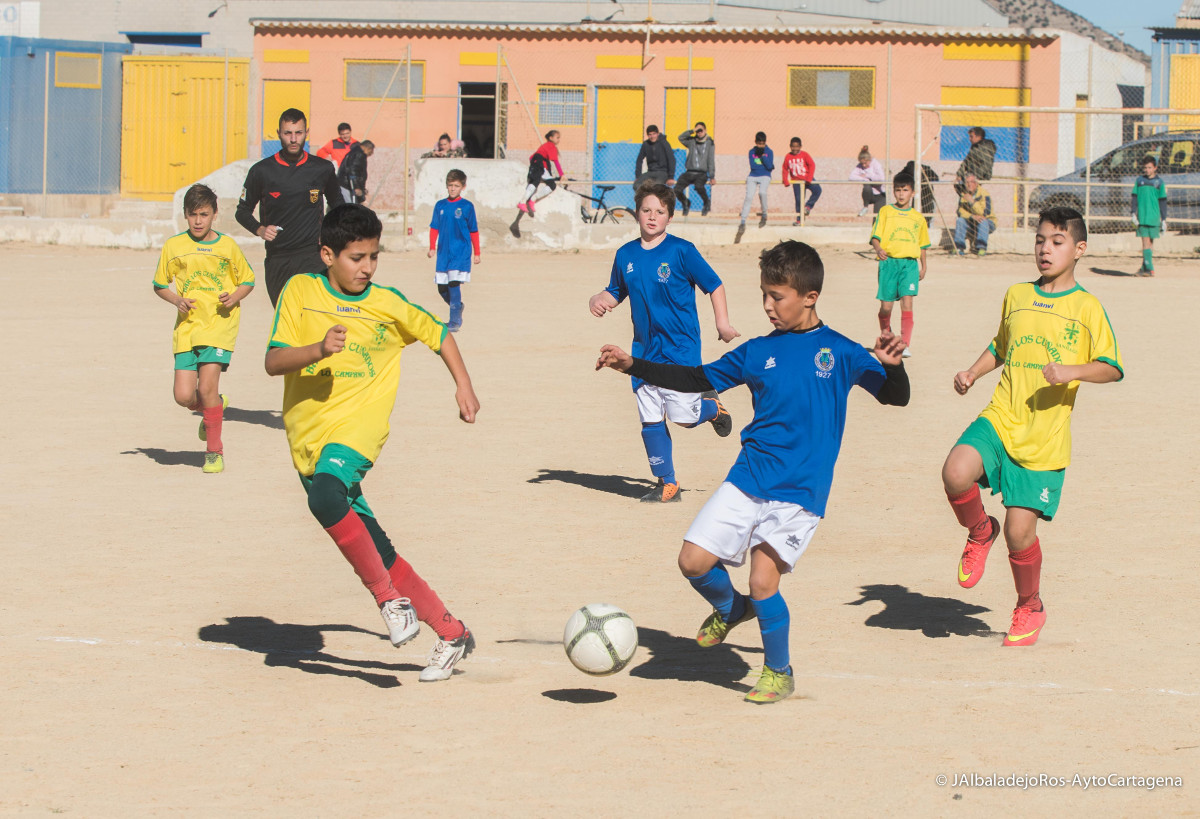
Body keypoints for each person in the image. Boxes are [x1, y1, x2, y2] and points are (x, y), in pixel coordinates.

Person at [595, 240, 910, 703]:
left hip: (800, 491)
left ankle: (778, 672)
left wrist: (894, 368)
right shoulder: (757, 351)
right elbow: (696, 379)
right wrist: (632, 365)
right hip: (749, 477)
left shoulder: (841, 351)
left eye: (776, 296)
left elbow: (895, 397)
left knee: (764, 580)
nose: (767, 306)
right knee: (692, 561)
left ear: (810, 297)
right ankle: (731, 608)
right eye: (764, 294)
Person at [265, 203, 481, 682]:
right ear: (327, 254)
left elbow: (439, 333)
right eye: (356, 257)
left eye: (373, 257)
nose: (367, 268)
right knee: (380, 551)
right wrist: (318, 349)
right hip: (308, 439)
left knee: (325, 495)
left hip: (358, 431)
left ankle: (388, 602)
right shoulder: (299, 292)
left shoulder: (387, 303)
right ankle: (452, 632)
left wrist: (462, 385)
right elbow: (273, 362)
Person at [943, 206, 1123, 648]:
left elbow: (1111, 367)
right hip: (1001, 417)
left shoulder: (1087, 308)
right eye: (1040, 240)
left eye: (1057, 242)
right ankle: (980, 530)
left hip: (1044, 440)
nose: (1045, 249)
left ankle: (1030, 604)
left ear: (1079, 249)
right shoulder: (1017, 294)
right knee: (955, 472)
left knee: (1021, 533)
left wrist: (1072, 371)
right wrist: (972, 371)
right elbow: (1001, 346)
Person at [588, 183, 739, 503]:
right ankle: (667, 483)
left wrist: (722, 323)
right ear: (637, 213)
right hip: (644, 351)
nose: (652, 216)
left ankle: (712, 408)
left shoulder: (682, 251)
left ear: (670, 217)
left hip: (681, 348)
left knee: (683, 416)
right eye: (646, 210)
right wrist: (599, 298)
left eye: (659, 211)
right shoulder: (625, 254)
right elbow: (616, 291)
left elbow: (714, 285)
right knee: (650, 417)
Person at [153, 183, 255, 475]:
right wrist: (176, 299)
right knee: (184, 396)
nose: (198, 221)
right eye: (192, 214)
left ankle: (213, 452)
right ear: (185, 215)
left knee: (208, 387)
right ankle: (214, 408)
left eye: (204, 214)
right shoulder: (174, 246)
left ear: (215, 215)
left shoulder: (227, 247)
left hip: (219, 326)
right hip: (187, 329)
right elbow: (160, 284)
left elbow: (247, 280)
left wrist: (234, 297)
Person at [236, 108, 344, 307]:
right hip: (279, 258)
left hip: (313, 256)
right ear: (279, 133)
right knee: (287, 323)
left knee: (315, 318)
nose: (293, 139)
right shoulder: (261, 171)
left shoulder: (322, 169)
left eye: (298, 133)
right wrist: (260, 229)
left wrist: (329, 232)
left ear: (306, 133)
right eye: (288, 133)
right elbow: (241, 211)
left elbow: (339, 206)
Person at [870, 172, 929, 359]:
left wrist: (924, 266)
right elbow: (875, 237)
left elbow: (922, 245)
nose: (901, 194)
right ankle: (887, 335)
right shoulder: (886, 212)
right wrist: (878, 249)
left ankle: (904, 344)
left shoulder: (918, 218)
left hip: (909, 265)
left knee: (907, 302)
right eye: (898, 190)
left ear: (912, 192)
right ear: (893, 192)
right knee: (886, 307)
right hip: (889, 264)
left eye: (905, 190)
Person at [428, 168, 480, 332]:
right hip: (444, 253)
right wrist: (431, 247)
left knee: (453, 284)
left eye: (456, 186)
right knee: (441, 287)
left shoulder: (467, 206)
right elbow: (434, 228)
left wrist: (477, 253)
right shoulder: (440, 205)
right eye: (450, 185)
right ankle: (457, 306)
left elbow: (473, 230)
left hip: (460, 252)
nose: (452, 189)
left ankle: (454, 321)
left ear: (463, 187)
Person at [1132, 155, 1167, 276]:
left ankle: (1147, 268)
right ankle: (1147, 268)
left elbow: (1162, 201)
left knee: (1149, 243)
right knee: (1145, 242)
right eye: (1145, 168)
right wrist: (1133, 213)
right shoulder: (1139, 181)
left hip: (1154, 217)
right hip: (1142, 216)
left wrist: (1164, 219)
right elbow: (1134, 198)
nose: (1147, 170)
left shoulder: (1159, 183)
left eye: (1150, 167)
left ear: (1155, 168)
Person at [737, 131, 774, 240]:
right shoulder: (751, 152)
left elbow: (769, 167)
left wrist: (763, 157)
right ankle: (743, 221)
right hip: (753, 175)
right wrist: (760, 158)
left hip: (765, 175)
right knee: (749, 197)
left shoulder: (769, 152)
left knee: (762, 193)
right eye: (759, 143)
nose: (760, 146)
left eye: (762, 143)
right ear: (755, 142)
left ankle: (764, 214)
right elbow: (753, 166)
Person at [517, 130, 563, 217]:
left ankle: (532, 200)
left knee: (550, 184)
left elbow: (532, 157)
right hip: (538, 164)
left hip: (539, 164)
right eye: (557, 137)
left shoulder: (545, 146)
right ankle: (523, 202)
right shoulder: (551, 146)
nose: (559, 140)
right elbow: (556, 162)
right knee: (537, 181)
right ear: (551, 138)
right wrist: (562, 174)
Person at [676, 123, 715, 217]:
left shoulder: (710, 143)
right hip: (690, 171)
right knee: (676, 189)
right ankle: (685, 202)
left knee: (699, 186)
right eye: (698, 131)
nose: (699, 133)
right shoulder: (691, 141)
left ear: (705, 130)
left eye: (701, 130)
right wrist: (692, 131)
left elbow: (710, 159)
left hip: (701, 173)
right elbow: (680, 137)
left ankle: (706, 202)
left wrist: (712, 176)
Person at [781, 136, 821, 224]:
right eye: (793, 146)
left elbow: (812, 165)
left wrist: (809, 178)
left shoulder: (805, 155)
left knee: (818, 190)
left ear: (800, 146)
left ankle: (808, 206)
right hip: (797, 181)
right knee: (799, 200)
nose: (795, 148)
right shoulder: (788, 157)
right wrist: (785, 180)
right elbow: (784, 169)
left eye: (797, 146)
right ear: (790, 146)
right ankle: (799, 219)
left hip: (807, 179)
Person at [953, 174, 995, 256]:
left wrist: (972, 202)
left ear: (976, 183)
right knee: (960, 220)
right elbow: (960, 211)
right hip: (972, 221)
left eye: (972, 182)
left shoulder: (984, 194)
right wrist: (972, 216)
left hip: (988, 222)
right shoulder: (964, 195)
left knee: (983, 221)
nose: (969, 184)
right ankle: (959, 247)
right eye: (967, 182)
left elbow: (986, 213)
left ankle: (981, 248)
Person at [633, 125, 676, 192]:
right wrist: (638, 176)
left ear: (658, 134)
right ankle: (645, 200)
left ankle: (657, 201)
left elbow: (671, 159)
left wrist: (671, 177)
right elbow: (639, 160)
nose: (652, 136)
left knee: (656, 187)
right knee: (637, 185)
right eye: (650, 135)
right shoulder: (646, 144)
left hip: (662, 172)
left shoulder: (664, 143)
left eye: (654, 134)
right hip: (650, 172)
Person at [954, 126, 997, 194]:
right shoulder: (974, 147)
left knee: (969, 193)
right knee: (958, 186)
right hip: (970, 176)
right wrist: (959, 174)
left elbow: (986, 165)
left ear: (978, 137)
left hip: (979, 177)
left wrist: (975, 177)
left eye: (971, 136)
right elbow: (966, 161)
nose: (969, 139)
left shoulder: (985, 148)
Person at [901, 160, 939, 225]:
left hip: (926, 192)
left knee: (928, 211)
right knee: (914, 210)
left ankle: (927, 224)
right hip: (916, 194)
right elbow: (899, 176)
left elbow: (936, 178)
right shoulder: (908, 169)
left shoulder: (926, 169)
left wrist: (923, 179)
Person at [850, 146, 885, 217]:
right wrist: (864, 179)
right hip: (869, 194)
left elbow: (881, 179)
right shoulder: (860, 166)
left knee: (878, 217)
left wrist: (868, 175)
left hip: (880, 194)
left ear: (869, 160)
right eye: (862, 163)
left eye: (865, 163)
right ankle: (865, 207)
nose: (863, 165)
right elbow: (851, 177)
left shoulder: (876, 164)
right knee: (866, 185)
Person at [336, 139, 375, 204]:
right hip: (347, 185)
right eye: (371, 151)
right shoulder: (359, 154)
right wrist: (356, 187)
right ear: (368, 148)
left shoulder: (355, 152)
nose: (371, 153)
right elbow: (353, 171)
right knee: (349, 208)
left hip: (345, 184)